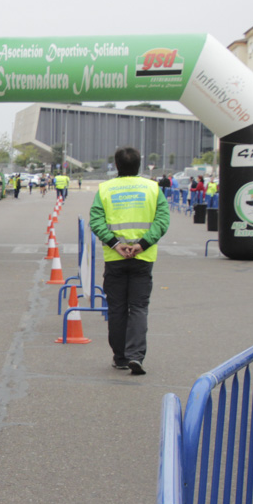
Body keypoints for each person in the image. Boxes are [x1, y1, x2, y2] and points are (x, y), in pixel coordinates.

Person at [89, 146, 169, 376]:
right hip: (143, 258)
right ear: (139, 165)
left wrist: (115, 243)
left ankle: (120, 357)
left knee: (117, 308)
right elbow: (162, 221)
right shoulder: (153, 188)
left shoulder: (105, 189)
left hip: (115, 257)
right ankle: (136, 355)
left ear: (116, 165)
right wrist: (142, 245)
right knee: (139, 308)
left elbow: (96, 221)